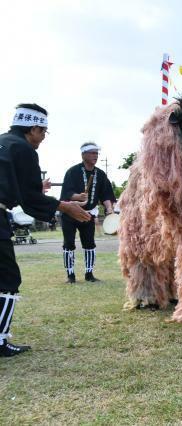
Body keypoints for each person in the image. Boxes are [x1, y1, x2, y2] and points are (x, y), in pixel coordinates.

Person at [0, 103, 91, 357]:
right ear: (34, 128)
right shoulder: (24, 149)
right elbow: (29, 198)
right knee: (7, 281)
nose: (42, 138)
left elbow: (15, 189)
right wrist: (65, 206)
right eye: (43, 132)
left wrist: (36, 191)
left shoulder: (3, 143)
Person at [60, 142, 116, 283]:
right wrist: (77, 196)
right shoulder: (72, 172)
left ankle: (89, 274)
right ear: (83, 154)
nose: (95, 156)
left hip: (88, 214)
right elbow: (66, 193)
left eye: (96, 153)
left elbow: (106, 195)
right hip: (70, 212)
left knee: (90, 244)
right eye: (92, 153)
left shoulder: (100, 174)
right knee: (69, 244)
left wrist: (109, 209)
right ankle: (70, 275)